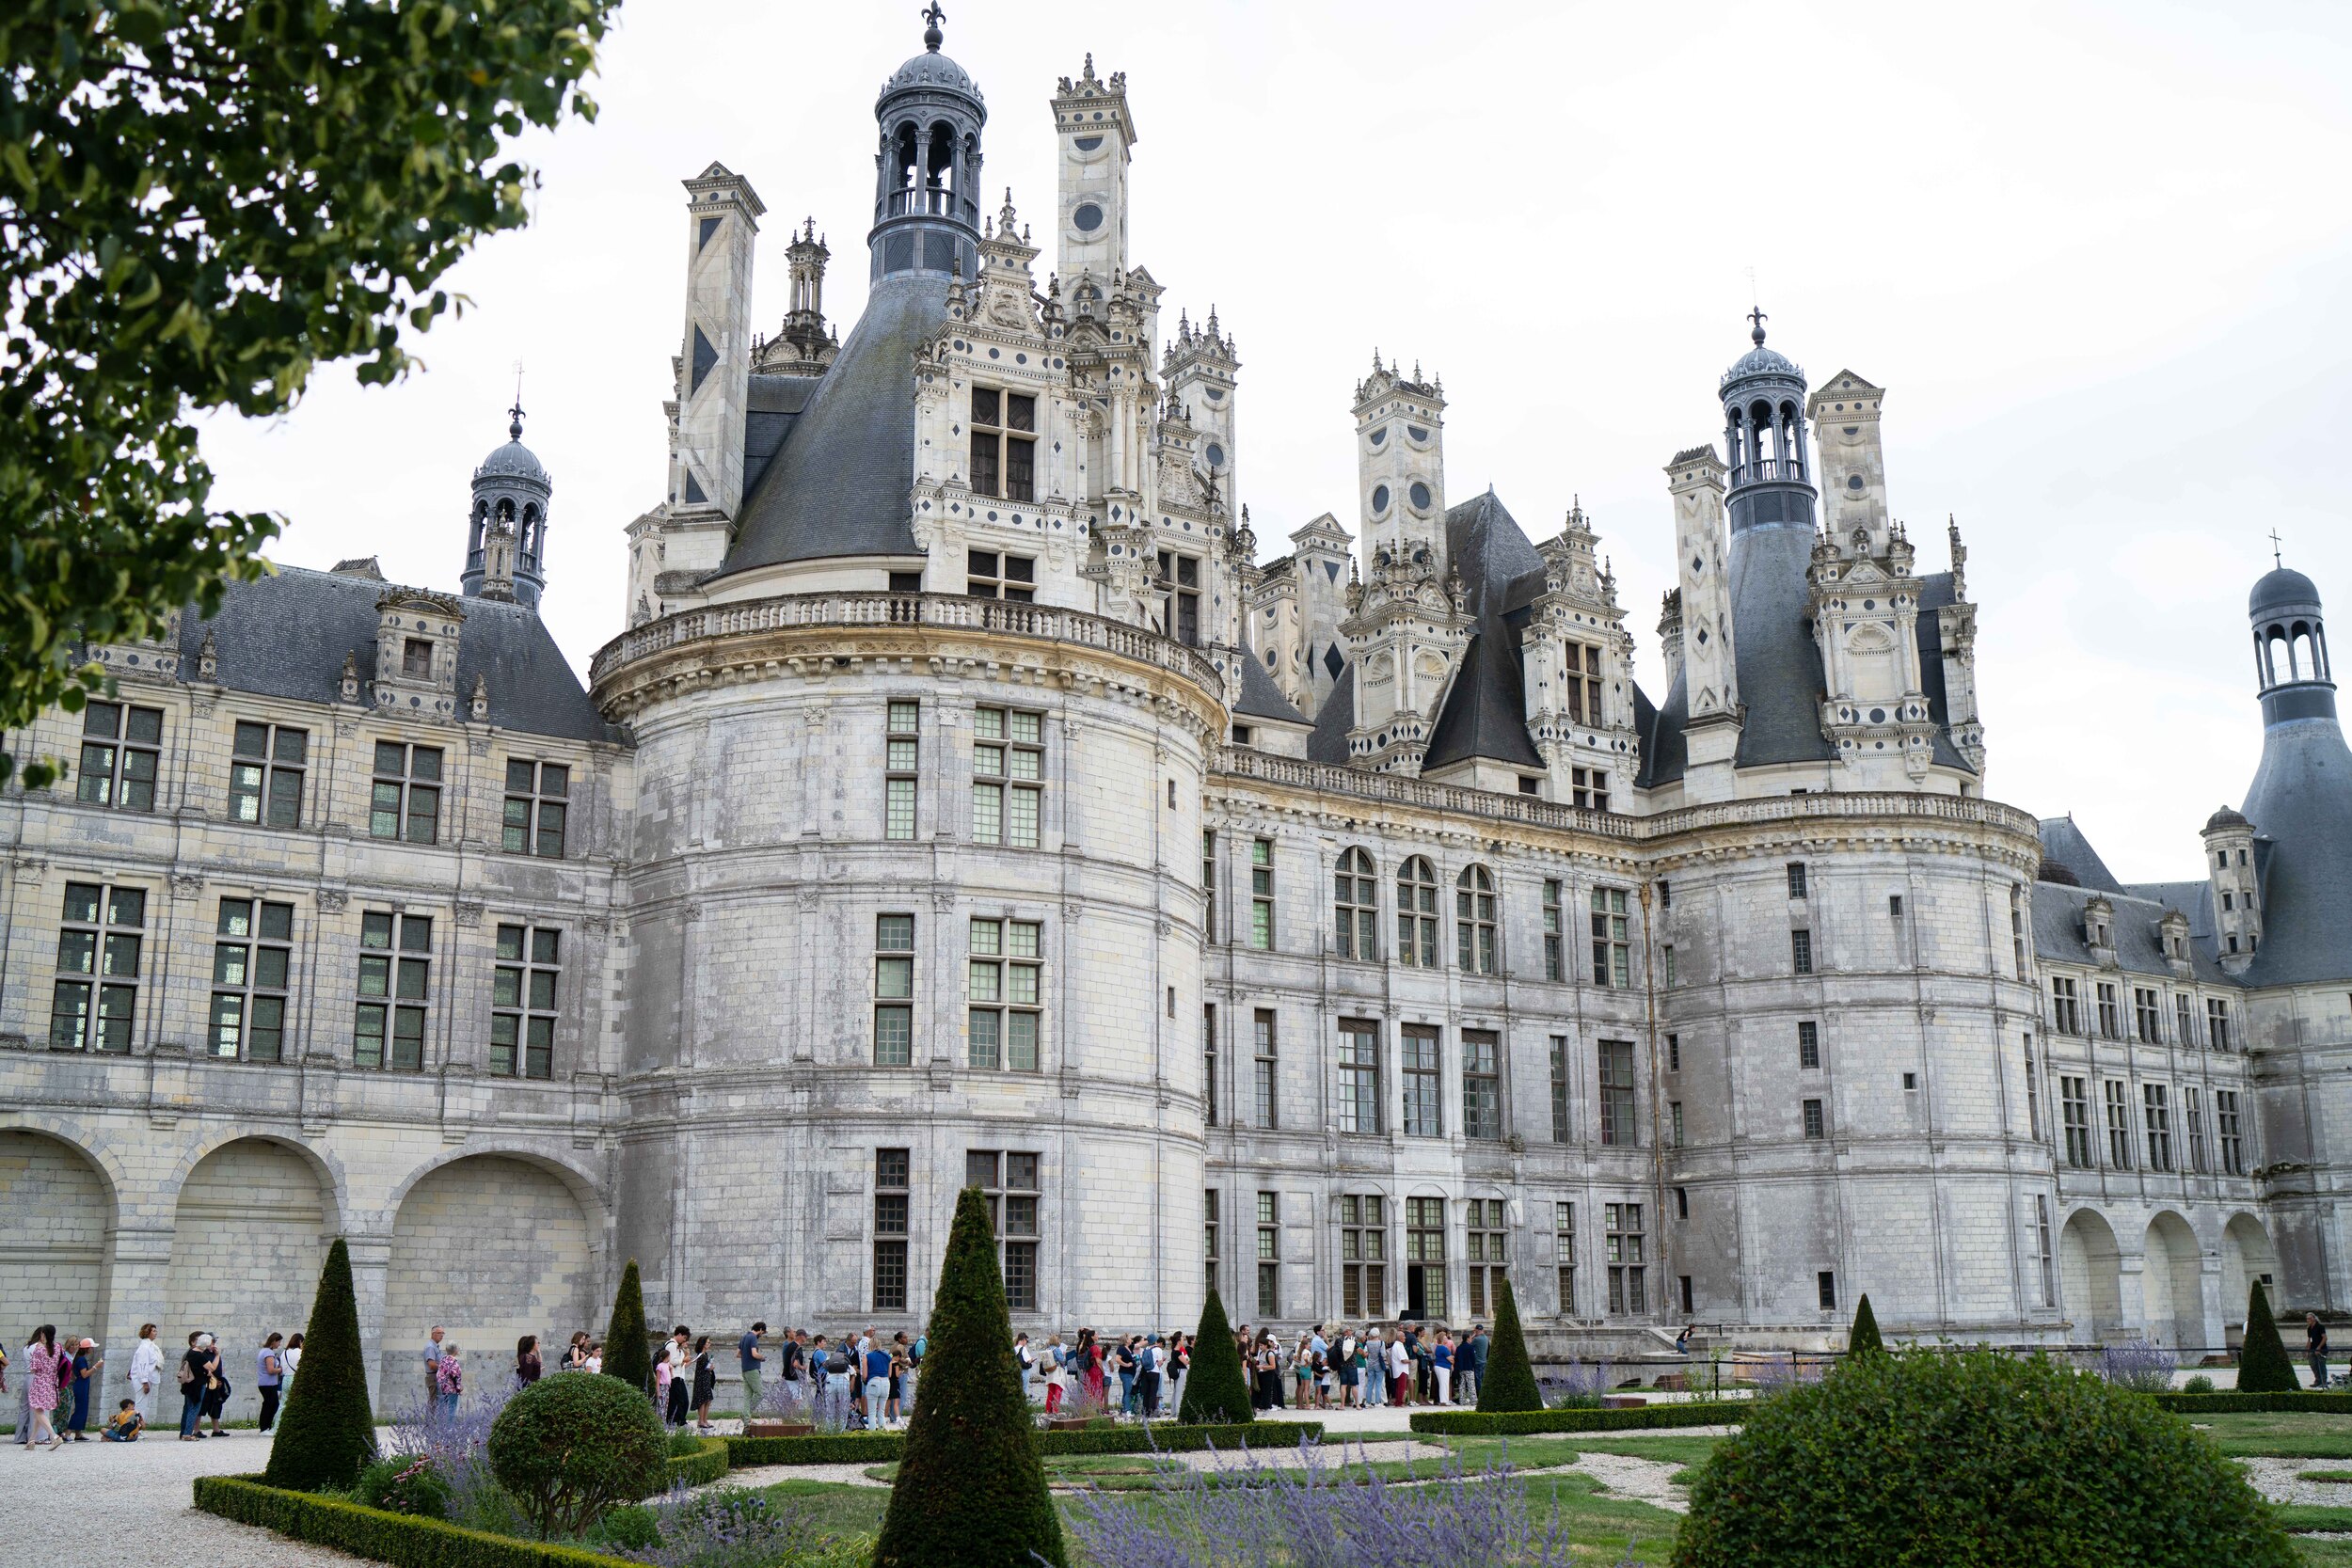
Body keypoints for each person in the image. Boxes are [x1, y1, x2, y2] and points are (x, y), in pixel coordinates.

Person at [25, 1326, 64, 1450]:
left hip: (40, 1382)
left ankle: (54, 1436)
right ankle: (31, 1440)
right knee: (40, 1410)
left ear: (43, 1334)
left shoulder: (39, 1349)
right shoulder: (58, 1347)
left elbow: (33, 1368)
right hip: (52, 1382)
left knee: (37, 1410)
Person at [128, 1323, 163, 1429]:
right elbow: (142, 1365)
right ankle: (134, 1428)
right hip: (143, 1380)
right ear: (147, 1332)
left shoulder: (152, 1346)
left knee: (145, 1405)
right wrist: (144, 1382)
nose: (156, 1333)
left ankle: (136, 1427)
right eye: (153, 1331)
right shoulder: (144, 1347)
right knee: (140, 1406)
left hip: (149, 1378)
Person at [176, 1331, 210, 1440]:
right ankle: (187, 1433)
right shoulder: (194, 1353)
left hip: (189, 1384)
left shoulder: (191, 1353)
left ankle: (184, 1432)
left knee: (188, 1408)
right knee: (192, 1408)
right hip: (194, 1384)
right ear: (192, 1342)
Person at [199, 1333, 232, 1437]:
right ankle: (196, 1430)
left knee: (216, 1405)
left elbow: (219, 1367)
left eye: (214, 1342)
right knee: (202, 1407)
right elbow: (210, 1368)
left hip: (216, 1384)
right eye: (212, 1342)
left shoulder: (214, 1353)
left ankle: (216, 1430)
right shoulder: (203, 1354)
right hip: (207, 1384)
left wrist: (219, 1379)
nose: (213, 1344)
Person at [68, 1338, 101, 1439]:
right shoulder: (81, 1359)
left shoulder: (79, 1358)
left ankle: (78, 1433)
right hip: (81, 1386)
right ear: (87, 1348)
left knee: (83, 1409)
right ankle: (68, 1432)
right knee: (80, 1409)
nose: (92, 1349)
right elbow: (84, 1374)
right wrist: (96, 1367)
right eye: (91, 1347)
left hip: (82, 1385)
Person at [257, 1333, 285, 1433]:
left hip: (265, 1383)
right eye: (279, 1341)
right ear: (273, 1341)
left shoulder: (264, 1351)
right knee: (270, 1405)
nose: (279, 1344)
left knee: (271, 1404)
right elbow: (271, 1370)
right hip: (268, 1384)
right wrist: (281, 1369)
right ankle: (264, 1428)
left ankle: (266, 1427)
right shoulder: (269, 1353)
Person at [863, 1336, 892, 1430]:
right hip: (885, 1382)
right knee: (881, 1412)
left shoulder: (867, 1356)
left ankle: (872, 1434)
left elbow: (865, 1375)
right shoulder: (887, 1356)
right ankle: (882, 1431)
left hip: (873, 1381)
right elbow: (890, 1374)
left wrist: (864, 1381)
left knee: (871, 1413)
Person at [665, 1327, 692, 1428]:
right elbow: (672, 1361)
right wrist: (684, 1360)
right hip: (673, 1377)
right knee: (678, 1401)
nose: (684, 1340)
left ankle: (678, 1421)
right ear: (679, 1334)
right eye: (684, 1338)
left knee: (683, 1400)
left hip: (678, 1377)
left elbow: (679, 1364)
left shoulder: (677, 1347)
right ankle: (677, 1422)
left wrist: (685, 1360)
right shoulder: (671, 1345)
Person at [739, 1322, 767, 1416]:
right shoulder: (753, 1337)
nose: (761, 1335)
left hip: (745, 1369)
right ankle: (745, 1414)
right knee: (760, 1394)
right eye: (763, 1333)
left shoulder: (744, 1337)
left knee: (747, 1396)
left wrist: (746, 1356)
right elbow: (754, 1354)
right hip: (752, 1369)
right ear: (760, 1330)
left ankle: (746, 1418)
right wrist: (762, 1357)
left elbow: (738, 1354)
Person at [692, 1335, 717, 1433]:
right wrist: (711, 1368)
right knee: (703, 1400)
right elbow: (705, 1368)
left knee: (708, 1400)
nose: (709, 1344)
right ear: (703, 1344)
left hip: (706, 1380)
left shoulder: (705, 1354)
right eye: (708, 1342)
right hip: (701, 1380)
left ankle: (704, 1420)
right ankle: (701, 1421)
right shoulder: (701, 1356)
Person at [434, 1341, 462, 1421]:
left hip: (442, 1388)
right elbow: (453, 1375)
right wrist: (458, 1388)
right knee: (451, 1408)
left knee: (442, 1408)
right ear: (455, 1350)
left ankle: (441, 1426)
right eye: (458, 1348)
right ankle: (450, 1427)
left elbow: (439, 1374)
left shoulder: (443, 1359)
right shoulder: (453, 1362)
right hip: (452, 1389)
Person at [422, 1326, 447, 1414]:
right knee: (433, 1402)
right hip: (433, 1377)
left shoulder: (435, 1346)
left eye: (443, 1333)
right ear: (433, 1334)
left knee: (437, 1402)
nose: (441, 1335)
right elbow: (432, 1365)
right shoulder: (430, 1347)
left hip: (436, 1376)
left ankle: (434, 1421)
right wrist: (445, 1368)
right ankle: (430, 1421)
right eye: (439, 1333)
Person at [1433, 1330, 1454, 1405]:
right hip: (1443, 1367)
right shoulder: (1443, 1348)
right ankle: (1444, 1401)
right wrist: (1452, 1360)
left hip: (1439, 1366)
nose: (1447, 1339)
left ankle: (1444, 1400)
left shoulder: (1438, 1347)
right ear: (1442, 1339)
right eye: (1445, 1338)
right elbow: (1450, 1359)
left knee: (1443, 1384)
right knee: (1444, 1384)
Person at [2311, 1314, 2331, 1389]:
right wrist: (2307, 1350)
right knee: (2313, 1365)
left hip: (2321, 1350)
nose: (2308, 1320)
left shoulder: (2320, 1327)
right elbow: (2310, 1339)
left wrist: (2318, 1348)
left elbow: (2325, 1338)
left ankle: (2324, 1382)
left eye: (2310, 1318)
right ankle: (2318, 1381)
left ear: (2314, 1318)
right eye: (2307, 1319)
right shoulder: (2309, 1328)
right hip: (2312, 1349)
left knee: (2322, 1366)